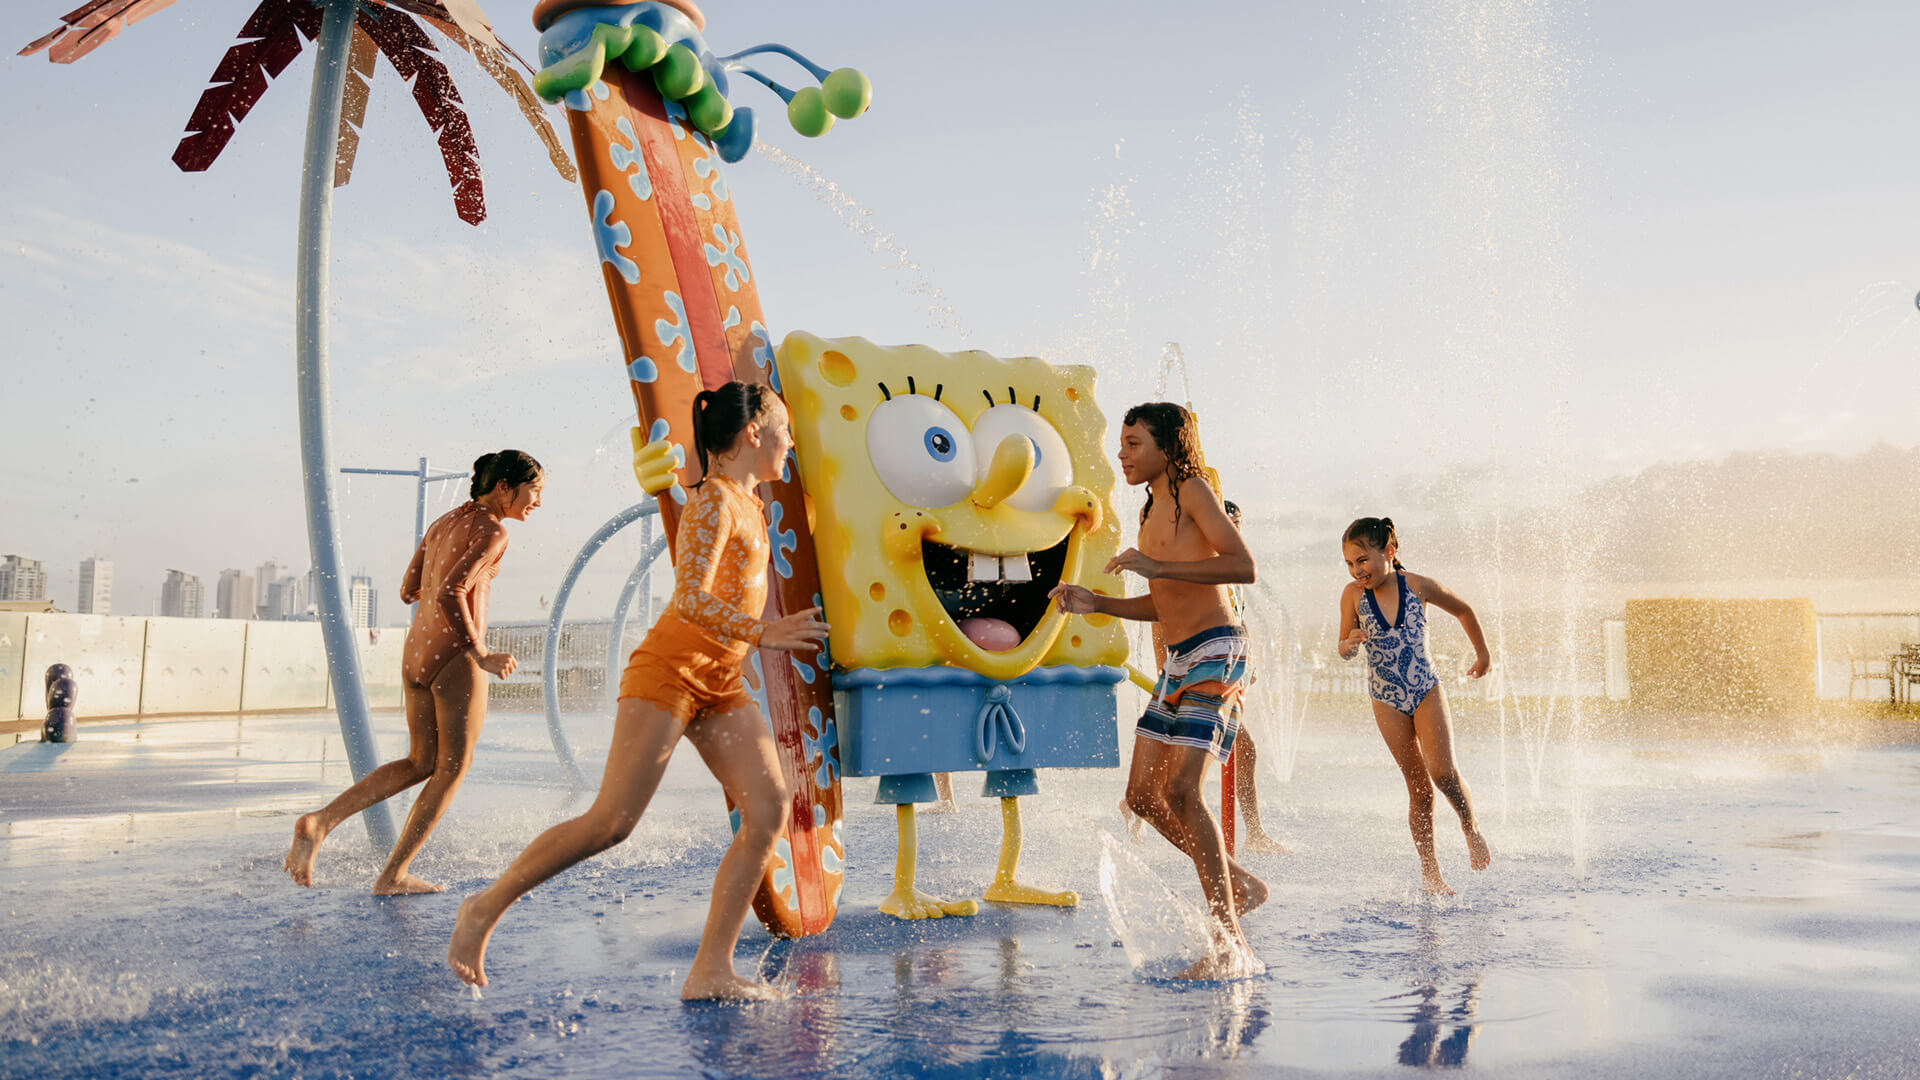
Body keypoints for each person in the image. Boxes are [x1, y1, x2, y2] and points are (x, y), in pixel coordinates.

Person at [449, 383, 829, 1000]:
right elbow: (689, 599)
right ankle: (483, 907)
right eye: (783, 428)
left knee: (767, 810)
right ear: (754, 433)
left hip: (719, 682)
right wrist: (765, 633)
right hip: (668, 674)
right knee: (612, 822)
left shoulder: (752, 504)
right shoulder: (715, 504)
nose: (791, 440)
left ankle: (710, 969)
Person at [1050, 402, 1265, 979]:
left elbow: (1242, 567)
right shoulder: (1149, 512)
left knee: (1183, 790)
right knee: (1143, 797)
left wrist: (1153, 565)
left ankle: (1229, 944)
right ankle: (1236, 882)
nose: (1121, 454)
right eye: (1121, 444)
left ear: (1168, 447)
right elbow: (1163, 600)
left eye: (1134, 443)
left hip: (1217, 650)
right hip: (1178, 659)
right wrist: (1098, 603)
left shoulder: (1193, 491)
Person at [284, 450, 541, 894]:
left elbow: (409, 591)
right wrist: (480, 652)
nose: (537, 502)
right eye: (534, 491)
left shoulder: (442, 523)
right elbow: (450, 592)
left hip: (416, 653)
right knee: (453, 768)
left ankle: (320, 823)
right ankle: (393, 875)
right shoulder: (494, 531)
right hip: (454, 657)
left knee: (420, 762)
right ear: (505, 488)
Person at [1337, 516, 1493, 894]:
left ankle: (1470, 827)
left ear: (1389, 552)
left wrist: (1483, 655)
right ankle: (1431, 873)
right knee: (1419, 790)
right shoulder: (1352, 596)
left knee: (1443, 774)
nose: (1357, 570)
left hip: (1425, 689)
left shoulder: (1417, 586)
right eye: (1349, 564)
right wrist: (1350, 643)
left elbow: (1464, 610)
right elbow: (1342, 647)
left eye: (1363, 560)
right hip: (1386, 698)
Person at [1219, 500, 1285, 854]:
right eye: (1226, 523)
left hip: (1226, 673)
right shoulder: (1206, 569)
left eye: (1237, 524)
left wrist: (1250, 660)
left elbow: (1238, 620)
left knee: (1239, 751)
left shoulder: (1232, 573)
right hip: (1205, 674)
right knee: (1242, 749)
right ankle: (1252, 834)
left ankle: (1135, 806)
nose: (1234, 530)